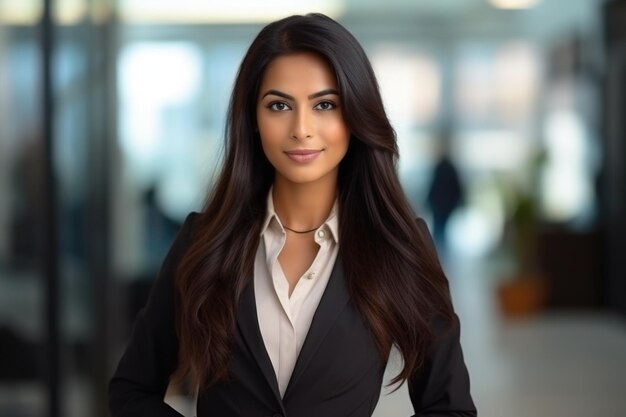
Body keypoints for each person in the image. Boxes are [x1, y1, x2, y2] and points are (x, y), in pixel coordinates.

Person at [109, 13, 476, 417]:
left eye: (325, 104)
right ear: (252, 119)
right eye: (279, 105)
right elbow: (131, 391)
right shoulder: (204, 241)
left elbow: (449, 408)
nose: (301, 128)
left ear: (354, 115)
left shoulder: (398, 247)